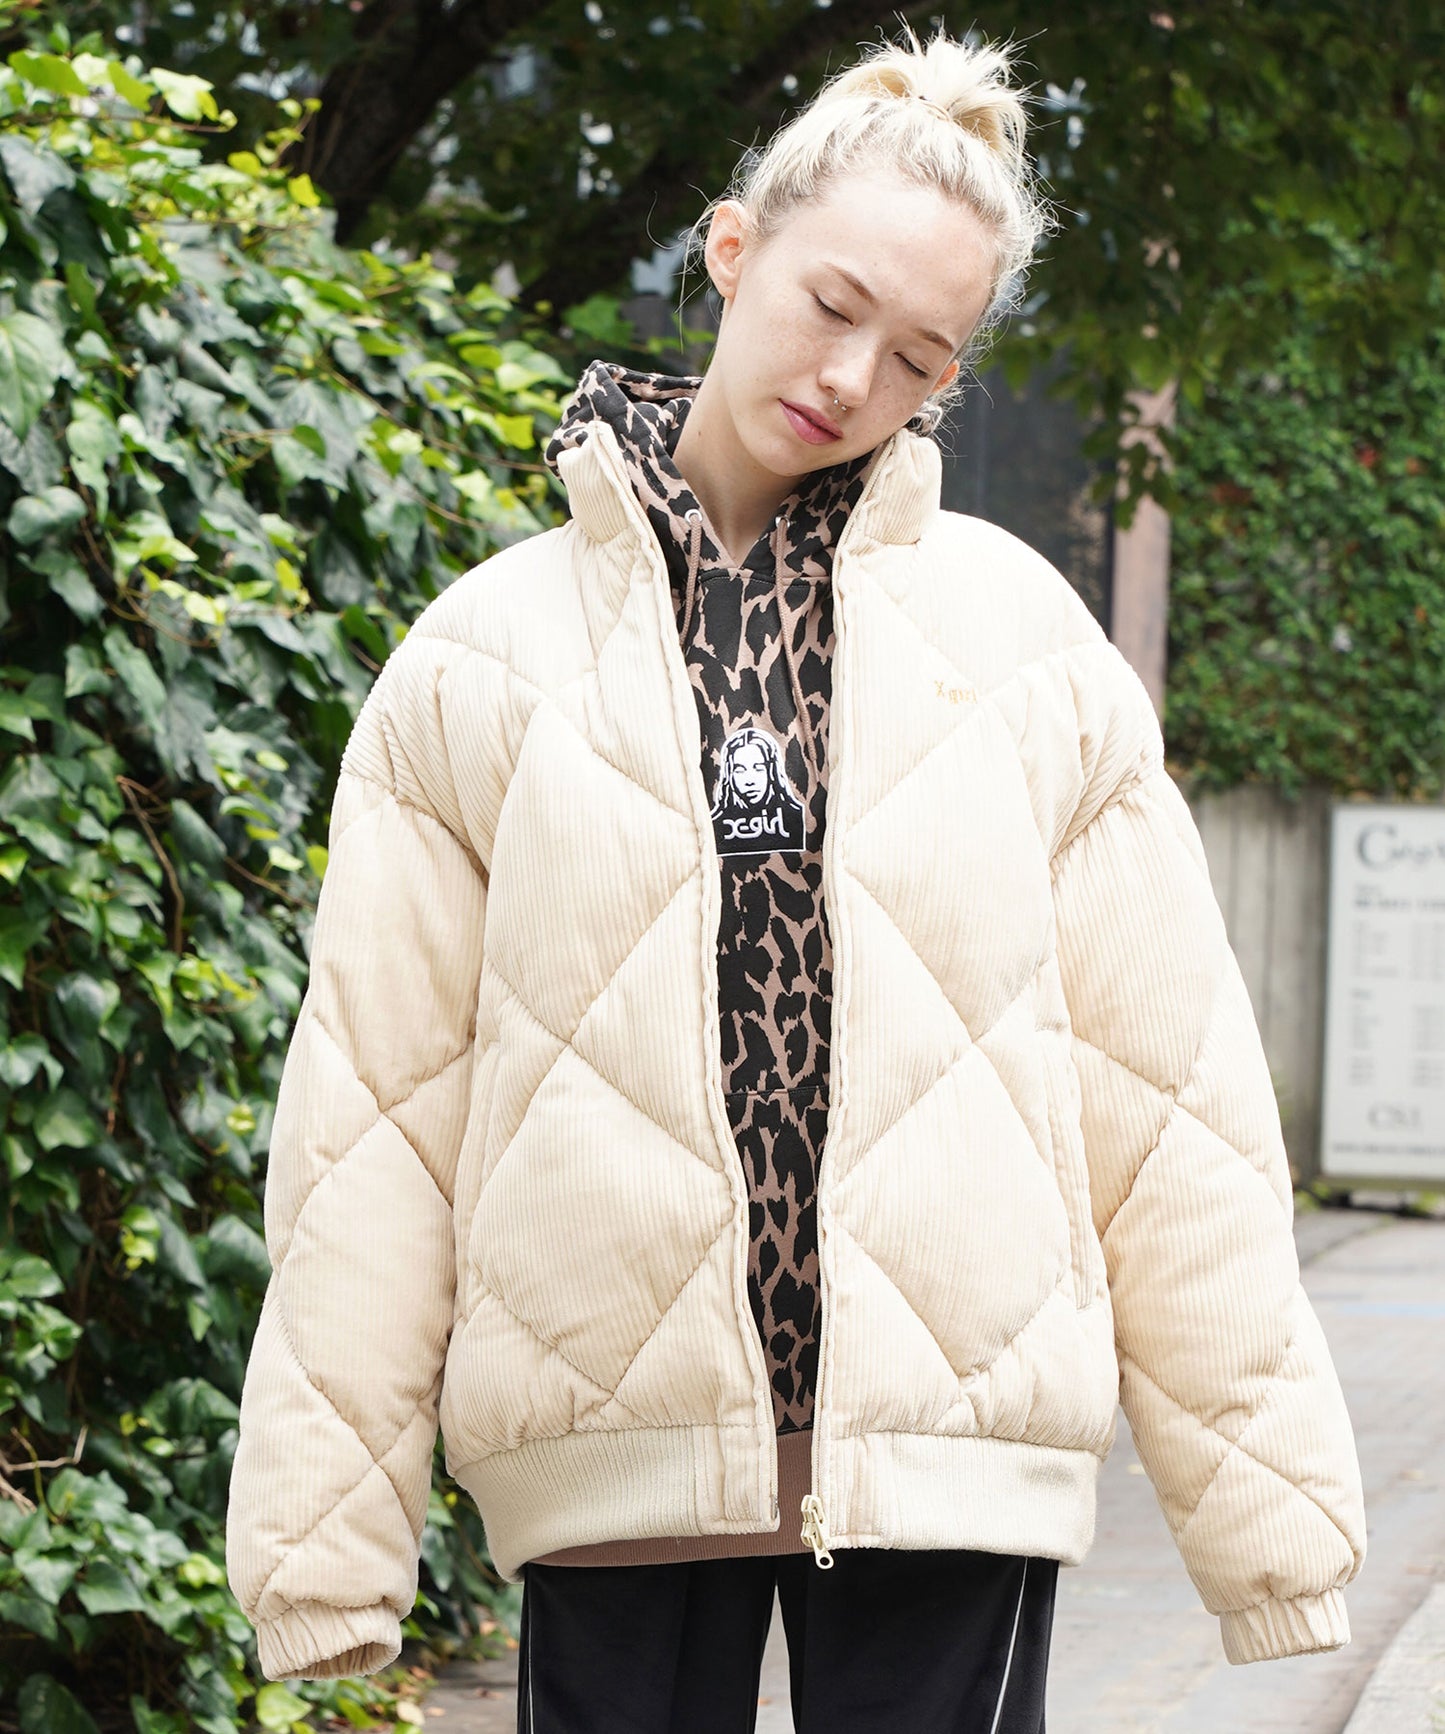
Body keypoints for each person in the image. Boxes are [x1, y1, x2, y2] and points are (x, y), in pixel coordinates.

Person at [224, 25, 1367, 1733]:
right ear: (731, 247)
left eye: (916, 357)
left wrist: (1270, 1521)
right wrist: (325, 1548)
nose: (851, 377)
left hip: (947, 1452)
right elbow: (375, 1114)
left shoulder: (1023, 645)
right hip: (611, 1446)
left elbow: (1169, 1091)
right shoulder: (480, 658)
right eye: (832, 305)